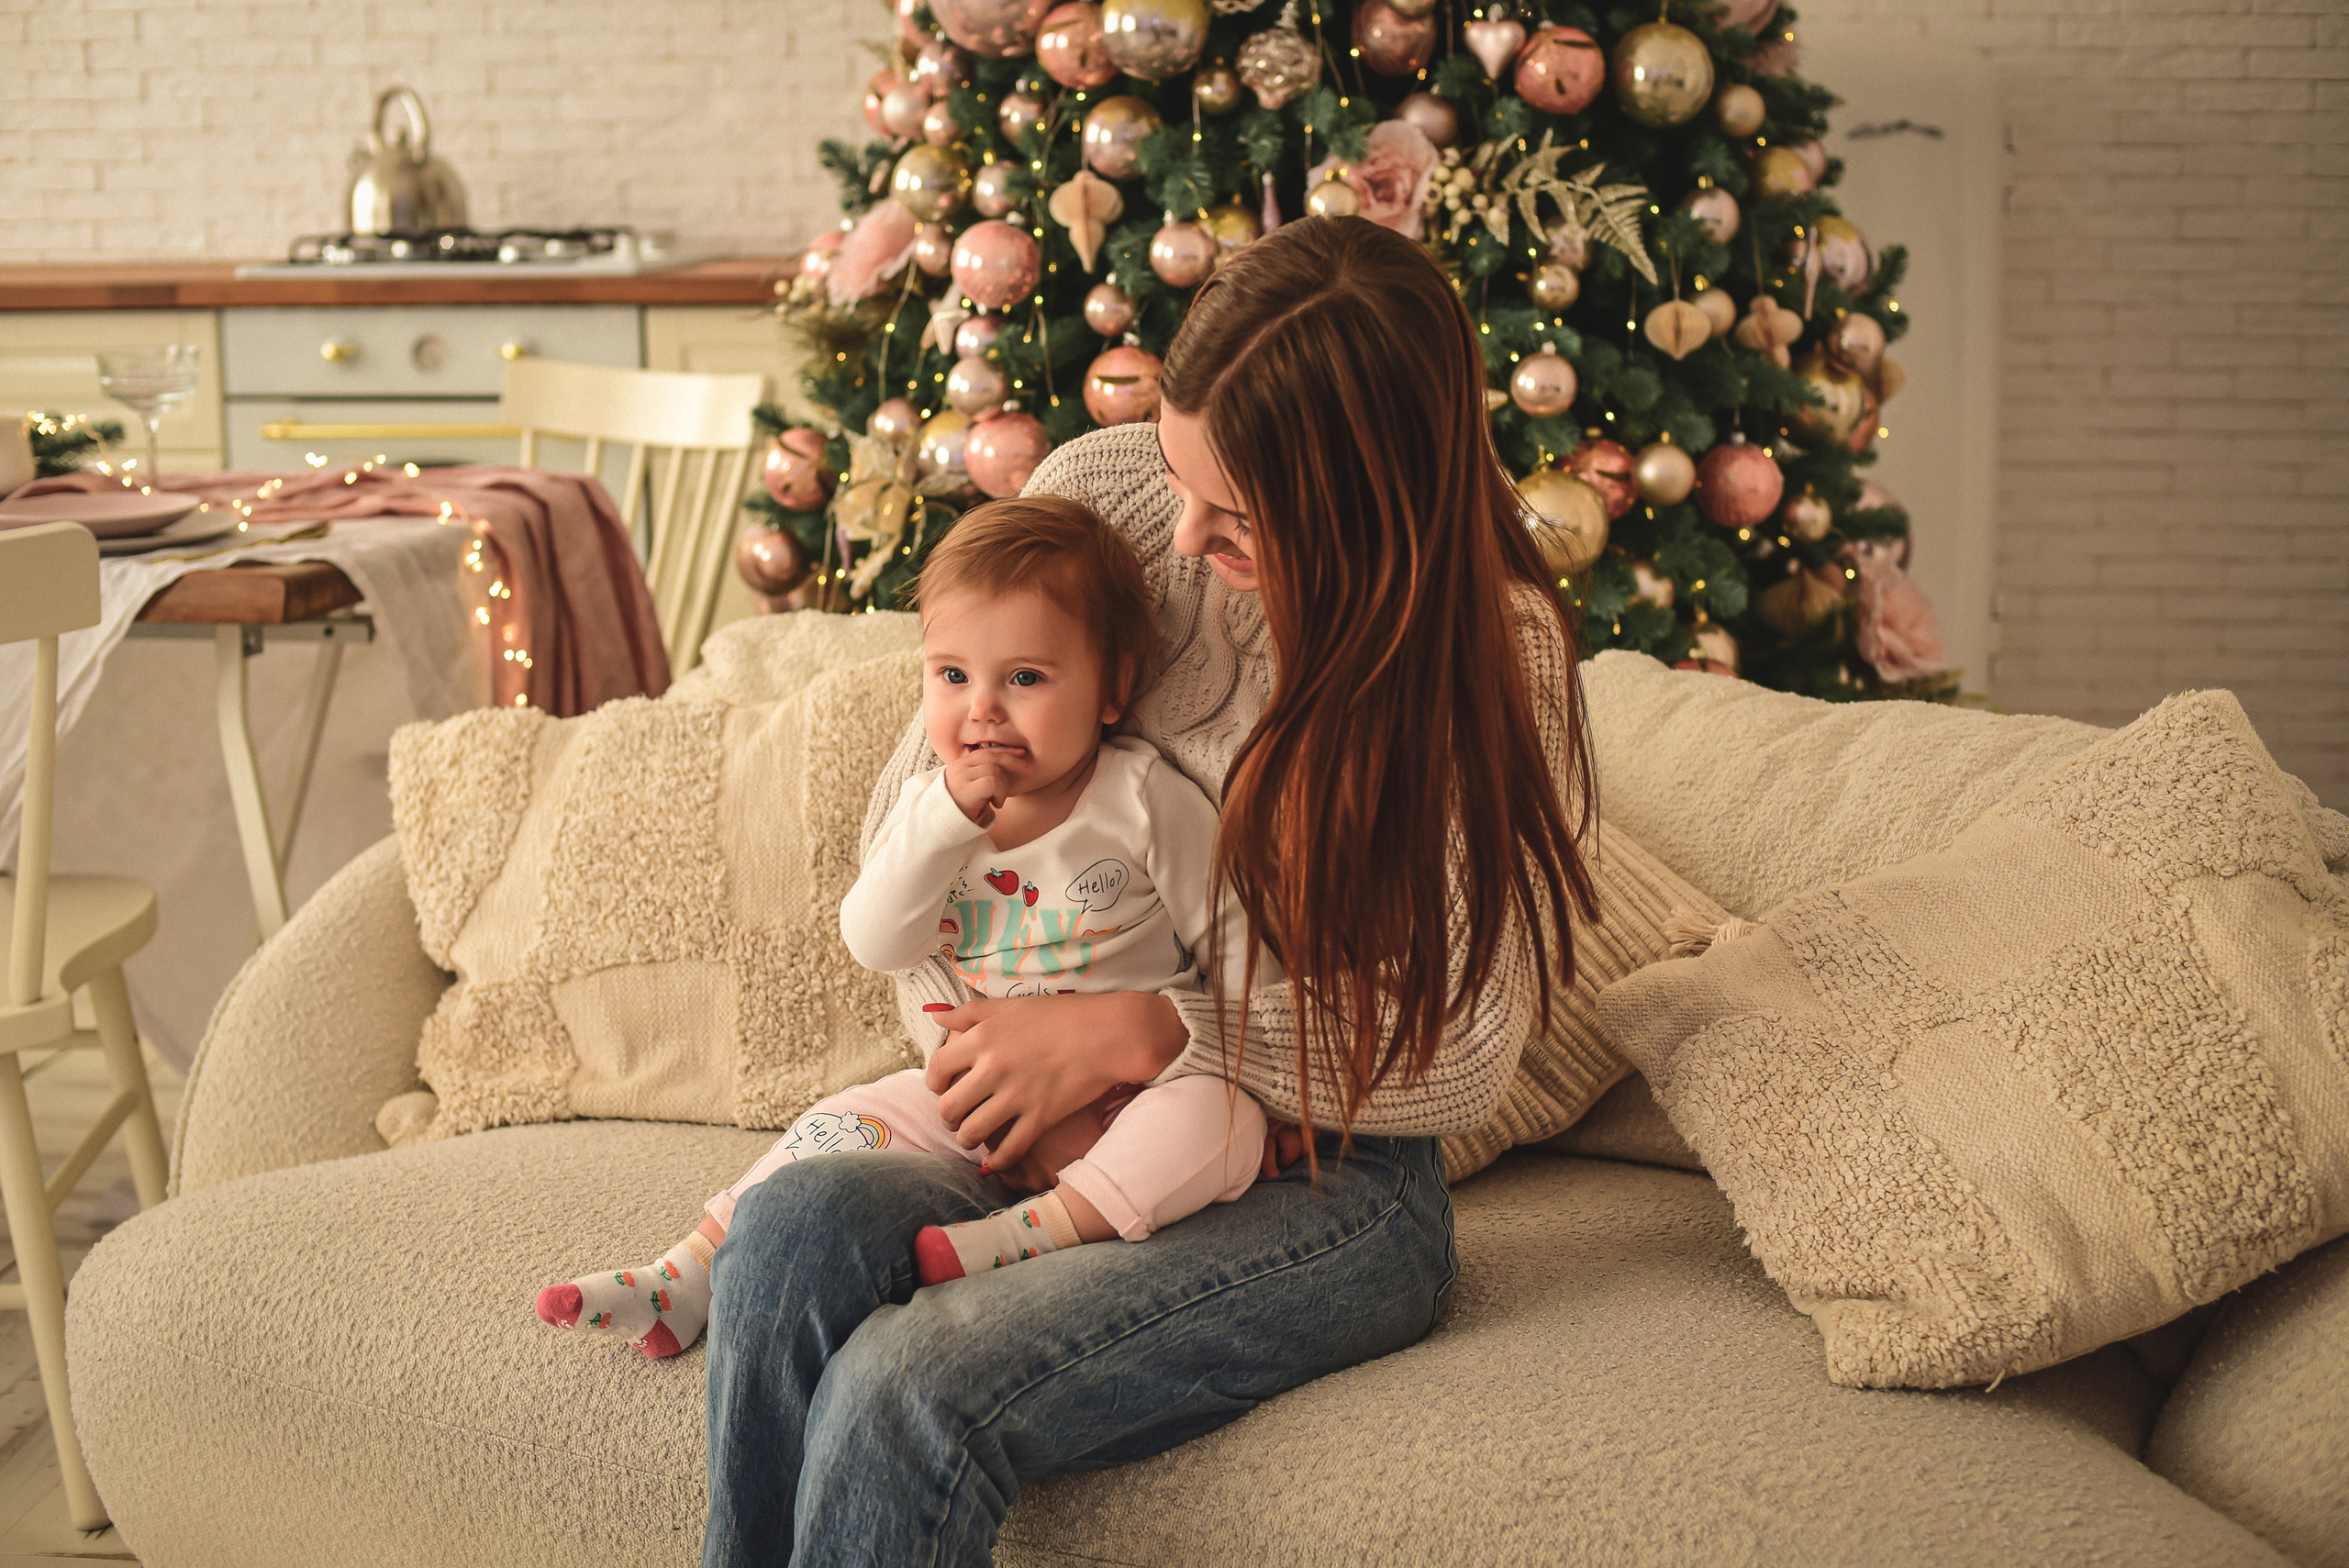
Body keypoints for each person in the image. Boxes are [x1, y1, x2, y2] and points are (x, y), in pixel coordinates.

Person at [702, 215, 1600, 1567]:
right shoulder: (1107, 496)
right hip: (1054, 1120)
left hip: (1330, 1180)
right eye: (1182, 473)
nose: (1180, 537)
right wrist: (1011, 1059)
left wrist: (1146, 1032)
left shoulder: (1495, 660)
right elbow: (936, 814)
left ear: (1365, 504)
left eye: (1235, 517)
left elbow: (1462, 1055)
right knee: (788, 1232)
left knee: (909, 1388)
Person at [531, 496, 1265, 1357]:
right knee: (837, 1122)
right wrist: (944, 823)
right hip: (972, 1095)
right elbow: (878, 941)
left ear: (1112, 689)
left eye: (1024, 678)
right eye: (952, 676)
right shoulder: (929, 813)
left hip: (1130, 1093)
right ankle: (688, 1271)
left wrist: (1229, 1067)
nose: (982, 710)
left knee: (1224, 1121)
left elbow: (1235, 949)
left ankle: (1031, 1235)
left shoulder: (1144, 801)